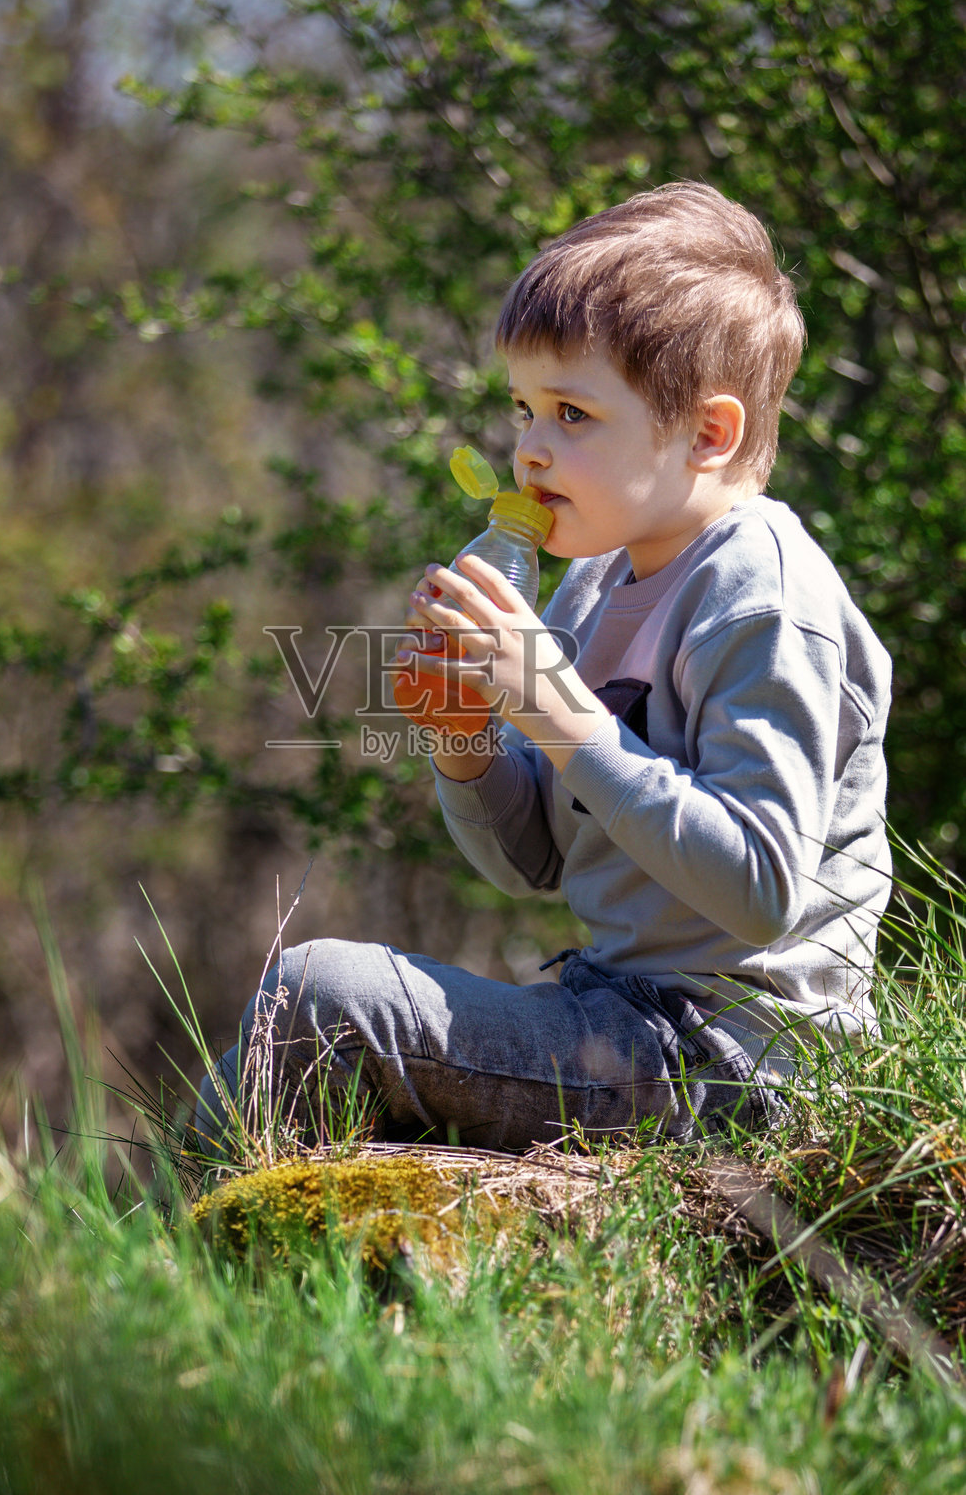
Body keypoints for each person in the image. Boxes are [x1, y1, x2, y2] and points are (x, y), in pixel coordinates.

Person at [196, 181, 892, 1157]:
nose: (526, 451)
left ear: (706, 432)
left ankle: (181, 1257)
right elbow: (537, 859)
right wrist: (466, 744)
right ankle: (218, 1257)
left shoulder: (763, 601)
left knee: (326, 995)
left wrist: (555, 703)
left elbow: (759, 885)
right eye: (522, 408)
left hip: (739, 1060)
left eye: (570, 412)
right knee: (318, 998)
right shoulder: (597, 583)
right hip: (618, 1010)